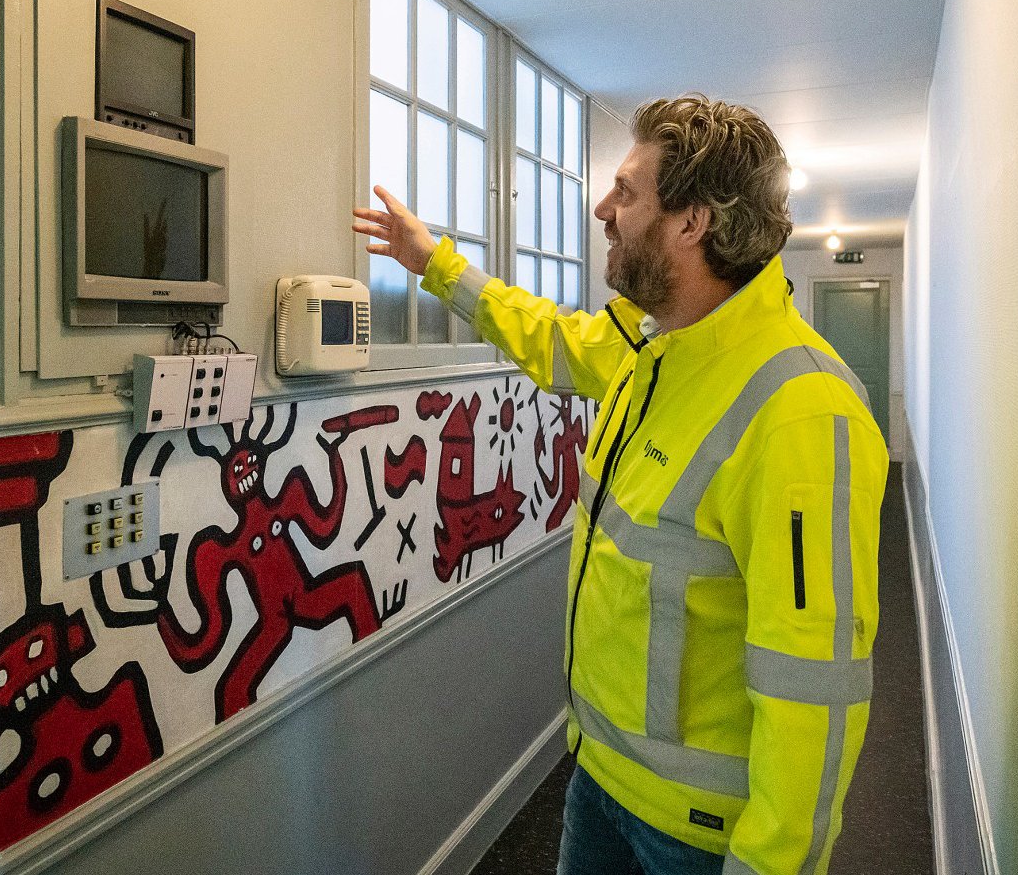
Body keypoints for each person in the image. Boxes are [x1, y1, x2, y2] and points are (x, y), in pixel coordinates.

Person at [354, 94, 885, 875]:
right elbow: (550, 336)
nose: (604, 209)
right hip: (599, 777)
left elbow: (815, 689)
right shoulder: (651, 343)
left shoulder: (801, 410)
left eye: (627, 192)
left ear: (691, 222)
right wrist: (434, 262)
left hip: (698, 836)